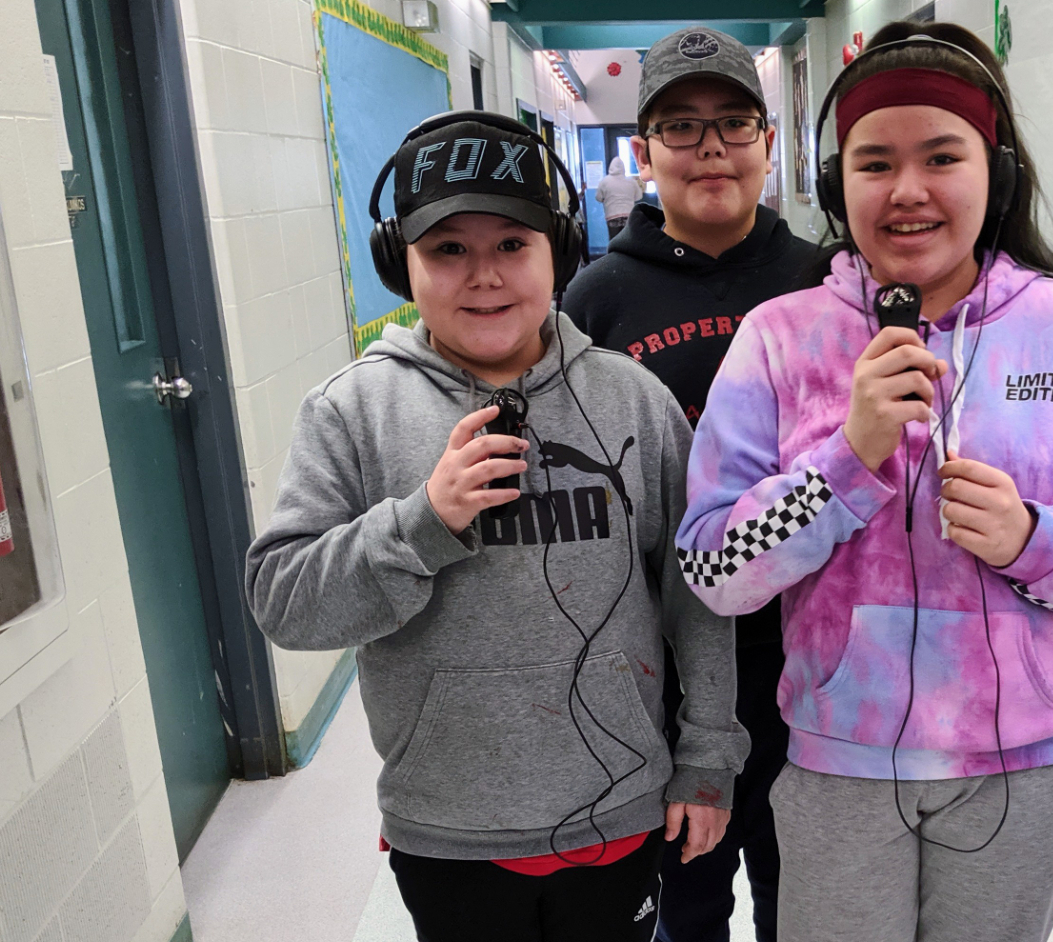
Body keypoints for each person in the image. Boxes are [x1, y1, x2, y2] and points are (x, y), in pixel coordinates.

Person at [677, 22, 1053, 942]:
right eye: (874, 162)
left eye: (941, 156)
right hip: (842, 760)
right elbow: (715, 567)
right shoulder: (780, 338)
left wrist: (1039, 540)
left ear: (994, 174)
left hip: (1028, 761)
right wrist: (846, 460)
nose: (907, 191)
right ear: (840, 184)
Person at [244, 111, 748, 942]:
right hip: (448, 828)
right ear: (396, 264)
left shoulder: (633, 401)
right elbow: (286, 606)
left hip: (619, 807)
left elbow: (695, 595)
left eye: (511, 244)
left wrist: (706, 758)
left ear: (561, 252)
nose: (483, 275)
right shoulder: (352, 413)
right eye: (447, 249)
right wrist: (421, 522)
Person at [564, 26, 818, 942]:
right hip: (666, 669)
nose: (710, 146)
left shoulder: (821, 280)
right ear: (644, 152)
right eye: (681, 126)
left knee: (806, 900)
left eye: (733, 123)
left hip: (811, 657)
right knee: (688, 903)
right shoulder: (596, 299)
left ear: (766, 141)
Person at [596, 156, 644, 242]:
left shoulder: (604, 181)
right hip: (629, 215)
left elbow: (598, 198)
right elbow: (639, 197)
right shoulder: (631, 181)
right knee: (628, 241)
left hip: (612, 216)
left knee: (614, 241)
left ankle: (615, 255)